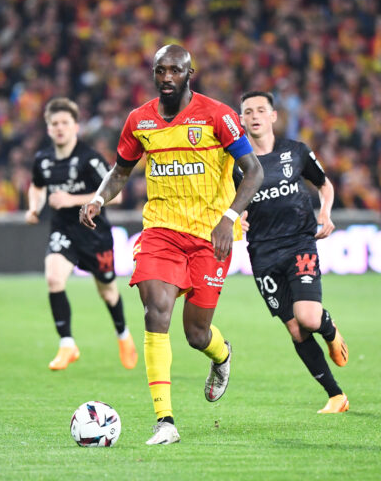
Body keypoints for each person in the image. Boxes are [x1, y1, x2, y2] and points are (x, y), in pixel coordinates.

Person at [80, 45, 263, 445]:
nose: (166, 77)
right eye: (160, 70)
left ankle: (221, 355)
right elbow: (120, 171)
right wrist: (97, 197)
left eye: (174, 71)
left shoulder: (218, 116)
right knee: (155, 312)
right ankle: (165, 420)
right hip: (161, 231)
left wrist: (229, 218)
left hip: (209, 236)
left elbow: (253, 171)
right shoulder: (139, 120)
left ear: (189, 73)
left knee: (196, 334)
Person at [236, 91, 349, 413]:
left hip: (298, 242)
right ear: (241, 120)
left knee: (308, 318)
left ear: (273, 116)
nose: (255, 115)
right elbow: (229, 203)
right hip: (262, 253)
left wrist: (325, 212)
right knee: (295, 329)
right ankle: (336, 395)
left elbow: (324, 183)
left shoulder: (295, 151)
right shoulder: (236, 164)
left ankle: (328, 328)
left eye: (261, 110)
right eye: (248, 111)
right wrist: (236, 219)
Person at [25, 97, 138, 371]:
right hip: (63, 230)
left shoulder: (90, 159)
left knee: (108, 292)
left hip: (94, 233)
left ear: (75, 126)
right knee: (53, 278)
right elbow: (37, 187)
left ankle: (123, 335)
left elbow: (116, 196)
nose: (60, 128)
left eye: (65, 122)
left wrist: (73, 200)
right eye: (54, 124)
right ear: (49, 129)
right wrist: (34, 207)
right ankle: (67, 343)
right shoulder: (43, 160)